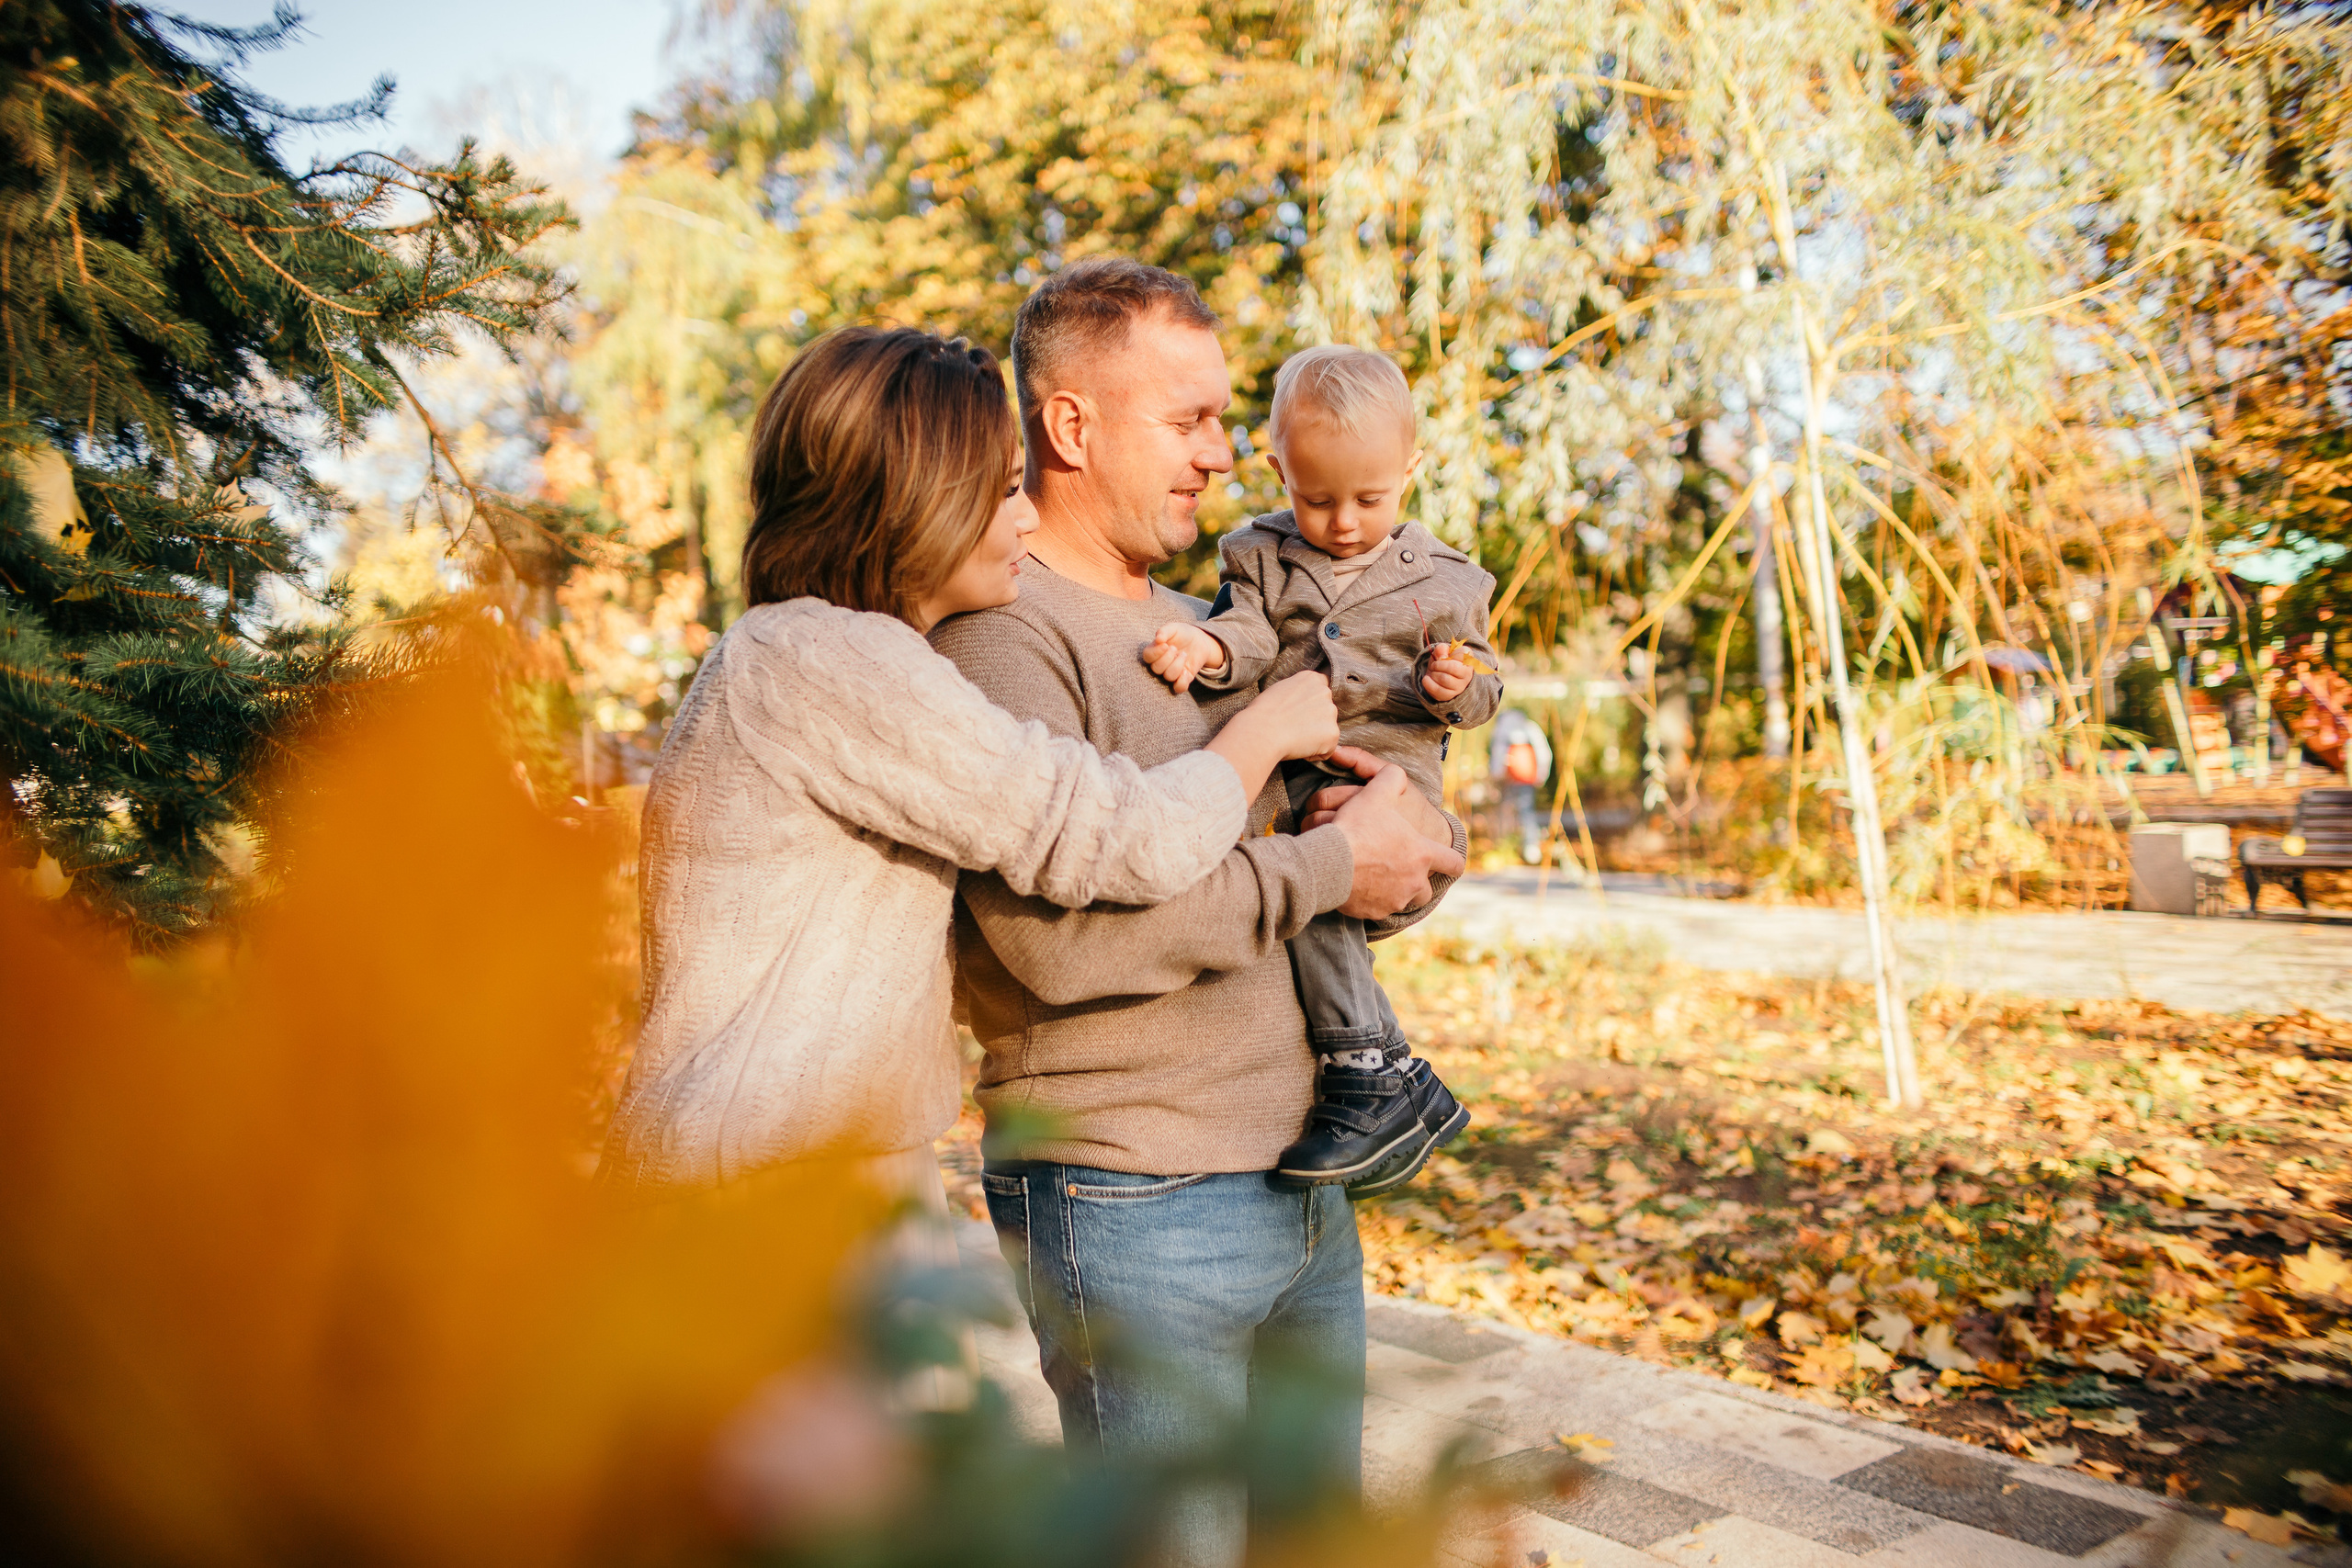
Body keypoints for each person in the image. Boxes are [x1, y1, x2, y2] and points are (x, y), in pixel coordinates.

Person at [928, 259, 1467, 1568]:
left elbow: (1301, 881)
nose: (1226, 460)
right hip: (1132, 1202)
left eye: (1228, 424)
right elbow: (1062, 947)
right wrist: (1334, 873)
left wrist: (1398, 847)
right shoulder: (1000, 641)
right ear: (1071, 427)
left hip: (1300, 1186)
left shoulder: (1210, 627)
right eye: (1191, 424)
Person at [599, 325, 1343, 1206]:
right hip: (775, 1201)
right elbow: (1114, 837)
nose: (1027, 517)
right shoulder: (835, 659)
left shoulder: (796, 654)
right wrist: (1268, 733)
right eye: (1000, 491)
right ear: (913, 502)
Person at [1141, 345, 1498, 1194]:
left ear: (1409, 471)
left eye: (1369, 499)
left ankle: (1371, 1068)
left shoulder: (1448, 577)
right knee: (1307, 879)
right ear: (1278, 470)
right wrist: (1211, 643)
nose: (1341, 522)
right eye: (1316, 497)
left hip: (1391, 769)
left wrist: (1456, 686)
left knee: (1322, 869)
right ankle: (1389, 1075)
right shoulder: (1259, 556)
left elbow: (1485, 684)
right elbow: (1253, 634)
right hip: (1297, 760)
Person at [1487, 707, 1555, 864]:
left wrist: (1496, 773)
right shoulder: (1528, 727)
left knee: (1518, 811)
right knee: (1521, 811)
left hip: (1515, 776)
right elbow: (1543, 752)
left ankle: (1519, 845)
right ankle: (1518, 845)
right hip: (1519, 776)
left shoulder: (1509, 729)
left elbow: (1497, 753)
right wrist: (1541, 774)